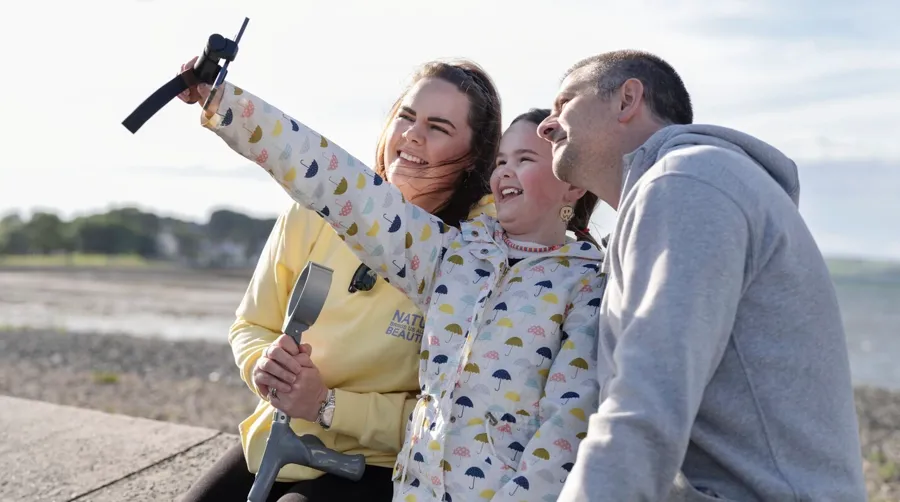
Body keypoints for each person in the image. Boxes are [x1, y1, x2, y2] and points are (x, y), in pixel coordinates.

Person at [185, 54, 609, 501]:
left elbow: (563, 429)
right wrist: (225, 102)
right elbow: (329, 178)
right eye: (406, 117)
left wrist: (328, 404)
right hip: (356, 461)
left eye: (439, 128)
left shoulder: (540, 272)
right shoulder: (454, 252)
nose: (412, 135)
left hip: (391, 466)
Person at [536, 50, 867, 501]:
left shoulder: (685, 182)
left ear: (627, 99)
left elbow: (647, 396)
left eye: (564, 103)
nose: (546, 124)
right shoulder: (687, 187)